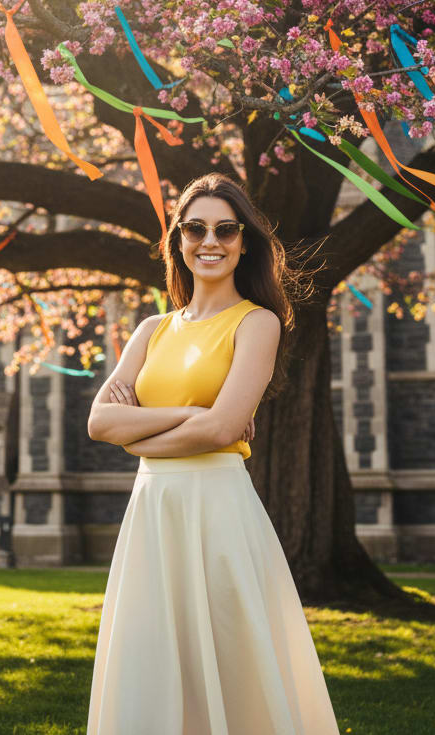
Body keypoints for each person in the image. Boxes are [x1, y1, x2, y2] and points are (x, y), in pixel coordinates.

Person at [86, 172, 340, 734]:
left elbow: (225, 428)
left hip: (218, 508)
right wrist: (190, 415)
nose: (211, 241)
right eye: (196, 228)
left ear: (244, 241)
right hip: (154, 510)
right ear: (177, 240)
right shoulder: (152, 329)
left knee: (232, 657)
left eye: (227, 230)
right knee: (154, 653)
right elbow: (99, 421)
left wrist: (141, 434)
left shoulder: (257, 323)